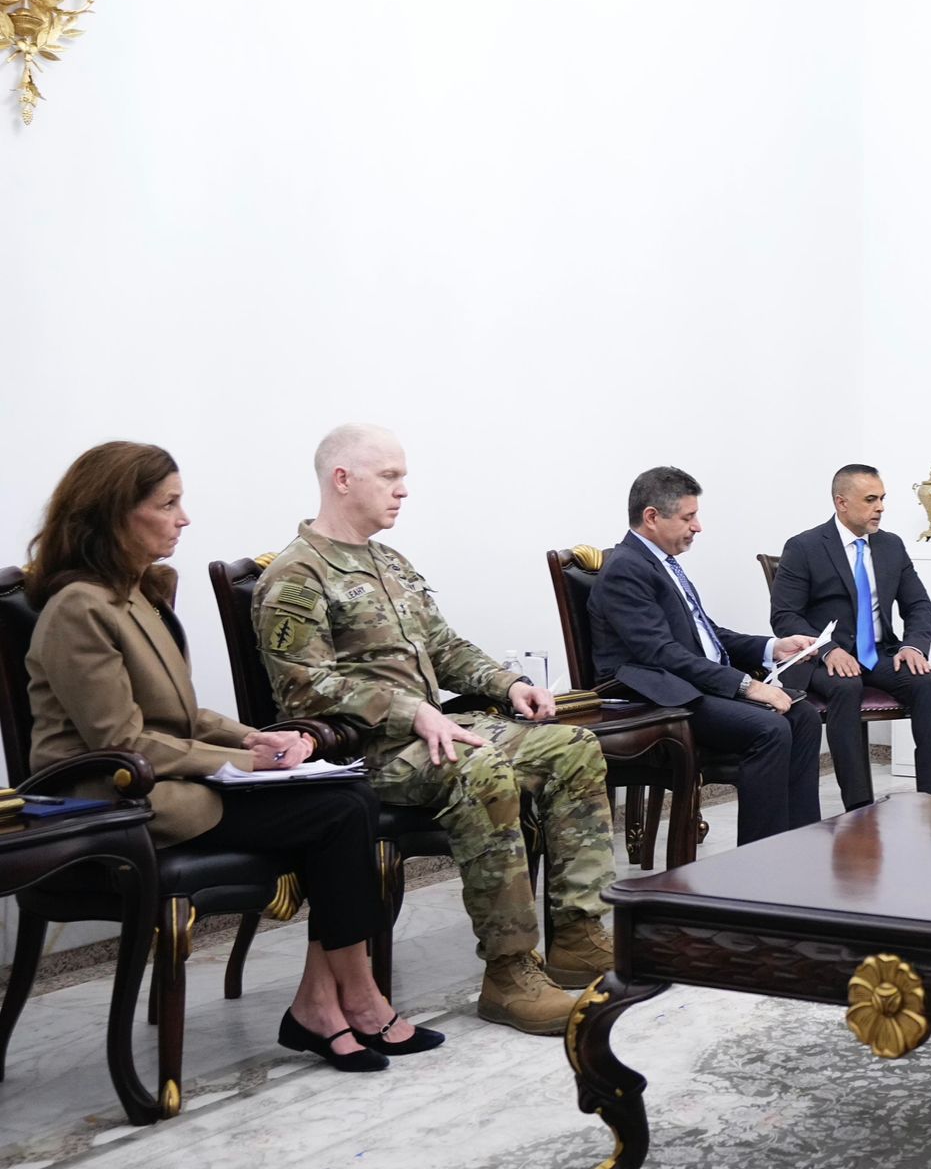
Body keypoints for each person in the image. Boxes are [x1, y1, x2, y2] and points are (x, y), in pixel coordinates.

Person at [25, 442, 441, 1073]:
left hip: (164, 780)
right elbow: (123, 741)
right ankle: (352, 1000)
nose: (184, 518)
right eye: (168, 504)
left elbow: (181, 714)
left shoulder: (135, 594)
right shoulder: (79, 607)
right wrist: (247, 766)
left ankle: (326, 1001)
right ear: (114, 513)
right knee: (339, 809)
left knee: (347, 797)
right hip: (114, 797)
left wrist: (253, 739)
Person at [253, 424, 614, 1037]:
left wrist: (507, 684)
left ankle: (578, 936)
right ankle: (509, 972)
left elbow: (444, 647)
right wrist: (406, 710)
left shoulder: (390, 562)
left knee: (573, 747)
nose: (403, 490)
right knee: (480, 771)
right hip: (367, 751)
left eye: (403, 477)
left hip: (433, 733)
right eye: (389, 477)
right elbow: (303, 688)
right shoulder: (296, 575)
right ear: (343, 479)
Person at [588, 466, 823, 844]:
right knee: (770, 727)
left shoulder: (661, 563)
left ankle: (799, 844)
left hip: (688, 685)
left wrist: (772, 647)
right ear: (652, 517)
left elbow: (705, 634)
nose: (697, 527)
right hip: (656, 697)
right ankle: (761, 858)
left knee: (804, 716)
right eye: (688, 517)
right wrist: (747, 686)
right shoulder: (626, 569)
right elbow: (661, 653)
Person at [770, 464, 931, 810]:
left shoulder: (891, 546)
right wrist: (827, 649)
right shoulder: (804, 547)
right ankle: (859, 808)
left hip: (878, 653)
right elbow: (784, 616)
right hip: (820, 659)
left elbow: (919, 605)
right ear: (842, 502)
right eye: (870, 499)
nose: (880, 507)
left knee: (927, 683)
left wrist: (913, 646)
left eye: (882, 499)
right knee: (846, 686)